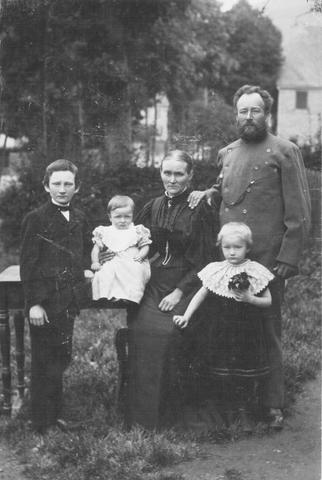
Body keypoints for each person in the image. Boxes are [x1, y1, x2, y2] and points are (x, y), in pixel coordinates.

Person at [188, 84, 311, 430]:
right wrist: (208, 193)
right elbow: (226, 189)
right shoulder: (227, 152)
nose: (248, 117)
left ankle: (271, 404)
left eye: (255, 110)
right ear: (236, 115)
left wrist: (287, 259)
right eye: (243, 111)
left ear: (267, 114)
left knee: (266, 328)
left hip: (267, 262)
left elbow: (299, 213)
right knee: (229, 331)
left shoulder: (285, 152)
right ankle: (233, 401)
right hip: (229, 261)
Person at [125, 149, 218, 430]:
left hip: (189, 282)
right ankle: (142, 420)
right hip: (155, 281)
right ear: (160, 173)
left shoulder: (200, 208)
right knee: (141, 331)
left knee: (168, 333)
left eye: (179, 174)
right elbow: (135, 243)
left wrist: (179, 291)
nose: (173, 179)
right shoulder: (152, 206)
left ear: (191, 176)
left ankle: (171, 417)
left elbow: (206, 260)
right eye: (168, 173)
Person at [174, 222, 274, 433]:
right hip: (221, 330)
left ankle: (244, 411)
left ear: (247, 248)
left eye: (237, 247)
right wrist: (186, 316)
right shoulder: (216, 270)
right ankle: (226, 411)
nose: (231, 252)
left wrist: (250, 299)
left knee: (245, 371)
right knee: (222, 370)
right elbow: (201, 294)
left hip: (247, 332)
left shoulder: (255, 271)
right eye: (227, 247)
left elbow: (268, 301)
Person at [20, 159, 91, 434]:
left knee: (61, 358)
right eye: (57, 184)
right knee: (43, 360)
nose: (62, 190)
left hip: (68, 301)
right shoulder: (35, 219)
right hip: (45, 303)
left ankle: (54, 415)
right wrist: (34, 304)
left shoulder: (80, 217)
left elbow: (83, 253)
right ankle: (41, 423)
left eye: (68, 184)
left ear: (77, 187)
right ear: (46, 186)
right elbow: (28, 264)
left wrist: (89, 267)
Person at [91, 195, 151, 304]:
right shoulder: (104, 231)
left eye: (127, 216)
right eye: (118, 217)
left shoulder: (137, 230)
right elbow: (96, 249)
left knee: (136, 271)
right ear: (110, 217)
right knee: (105, 272)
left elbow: (145, 245)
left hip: (132, 260)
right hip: (113, 260)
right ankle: (106, 296)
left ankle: (130, 297)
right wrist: (95, 262)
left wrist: (141, 255)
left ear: (132, 216)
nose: (123, 220)